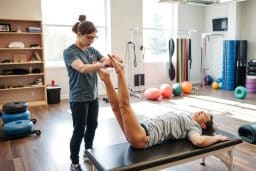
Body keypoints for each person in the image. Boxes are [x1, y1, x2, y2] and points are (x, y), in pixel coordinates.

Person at [97, 55, 229, 149]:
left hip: (142, 137)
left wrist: (217, 138)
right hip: (141, 128)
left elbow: (199, 141)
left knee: (124, 106)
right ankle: (106, 78)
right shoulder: (188, 116)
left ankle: (120, 71)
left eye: (204, 115)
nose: (201, 112)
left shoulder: (194, 127)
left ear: (203, 126)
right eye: (203, 111)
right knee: (116, 108)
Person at [63, 15, 112, 171]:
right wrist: (100, 64)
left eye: (94, 37)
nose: (91, 40)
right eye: (89, 37)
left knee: (93, 124)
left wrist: (111, 59)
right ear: (79, 34)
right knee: (79, 129)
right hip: (78, 98)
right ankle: (74, 162)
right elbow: (82, 68)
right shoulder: (69, 52)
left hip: (92, 96)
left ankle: (88, 151)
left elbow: (105, 60)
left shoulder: (92, 50)